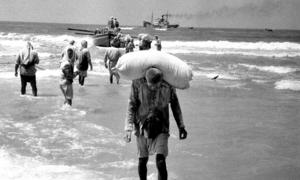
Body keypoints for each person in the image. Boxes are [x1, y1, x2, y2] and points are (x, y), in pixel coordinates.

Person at [124, 67, 188, 180]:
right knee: (142, 160)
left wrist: (181, 126)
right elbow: (132, 106)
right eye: (150, 85)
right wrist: (128, 128)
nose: (153, 88)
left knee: (160, 161)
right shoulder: (137, 84)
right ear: (146, 80)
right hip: (141, 126)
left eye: (156, 86)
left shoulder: (168, 86)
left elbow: (175, 105)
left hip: (161, 127)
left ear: (161, 81)